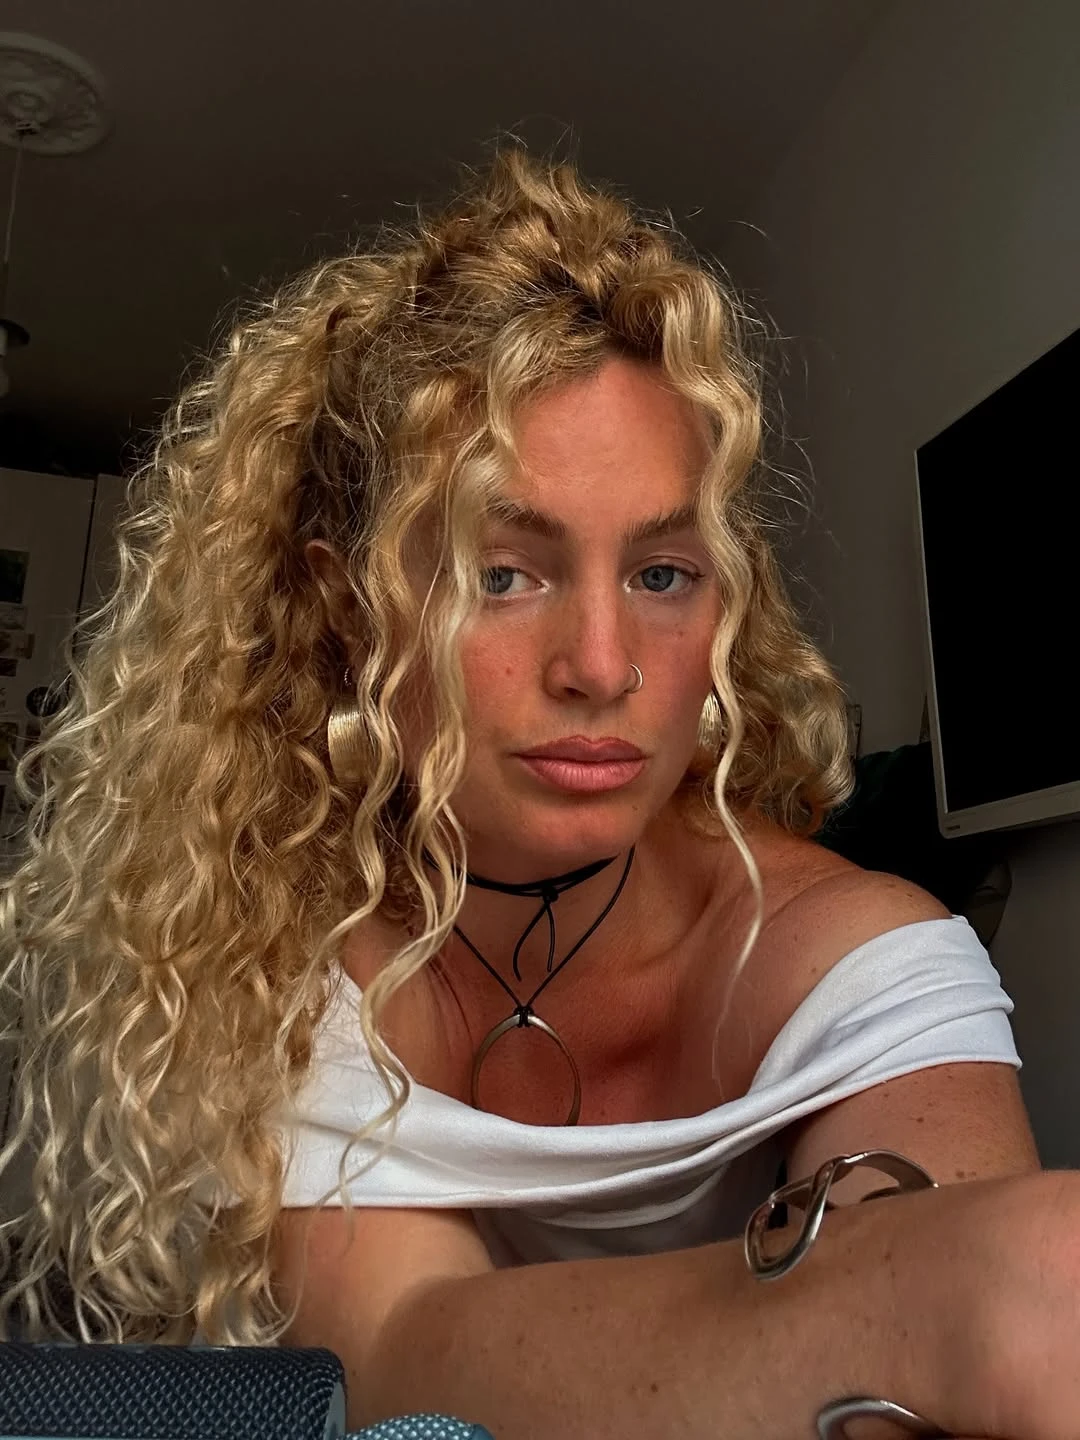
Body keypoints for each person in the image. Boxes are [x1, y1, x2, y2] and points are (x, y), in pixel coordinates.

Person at [0, 146, 1078, 1439]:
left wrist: (978, 1285)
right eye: (500, 573)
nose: (604, 667)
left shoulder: (861, 962)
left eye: (663, 574)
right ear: (346, 610)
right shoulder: (270, 958)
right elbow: (386, 1355)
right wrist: (928, 1304)